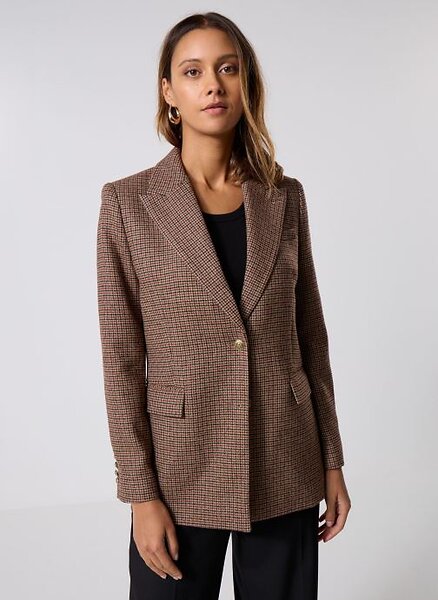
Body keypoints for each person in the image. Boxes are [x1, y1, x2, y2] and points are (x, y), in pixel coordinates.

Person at [96, 11, 351, 600]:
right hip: (181, 470)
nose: (213, 84)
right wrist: (140, 494)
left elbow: (310, 336)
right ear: (169, 92)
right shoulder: (128, 204)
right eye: (193, 72)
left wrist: (331, 460)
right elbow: (121, 363)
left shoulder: (284, 197)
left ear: (246, 84)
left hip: (286, 458)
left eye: (228, 69)